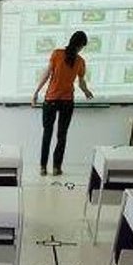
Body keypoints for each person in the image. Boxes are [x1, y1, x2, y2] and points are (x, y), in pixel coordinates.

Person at [32, 31, 95, 176]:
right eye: (82, 46)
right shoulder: (80, 61)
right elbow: (81, 83)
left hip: (51, 99)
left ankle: (43, 167)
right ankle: (56, 168)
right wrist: (86, 91)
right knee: (62, 135)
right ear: (80, 46)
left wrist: (36, 92)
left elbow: (47, 74)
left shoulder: (57, 54)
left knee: (47, 134)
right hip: (67, 101)